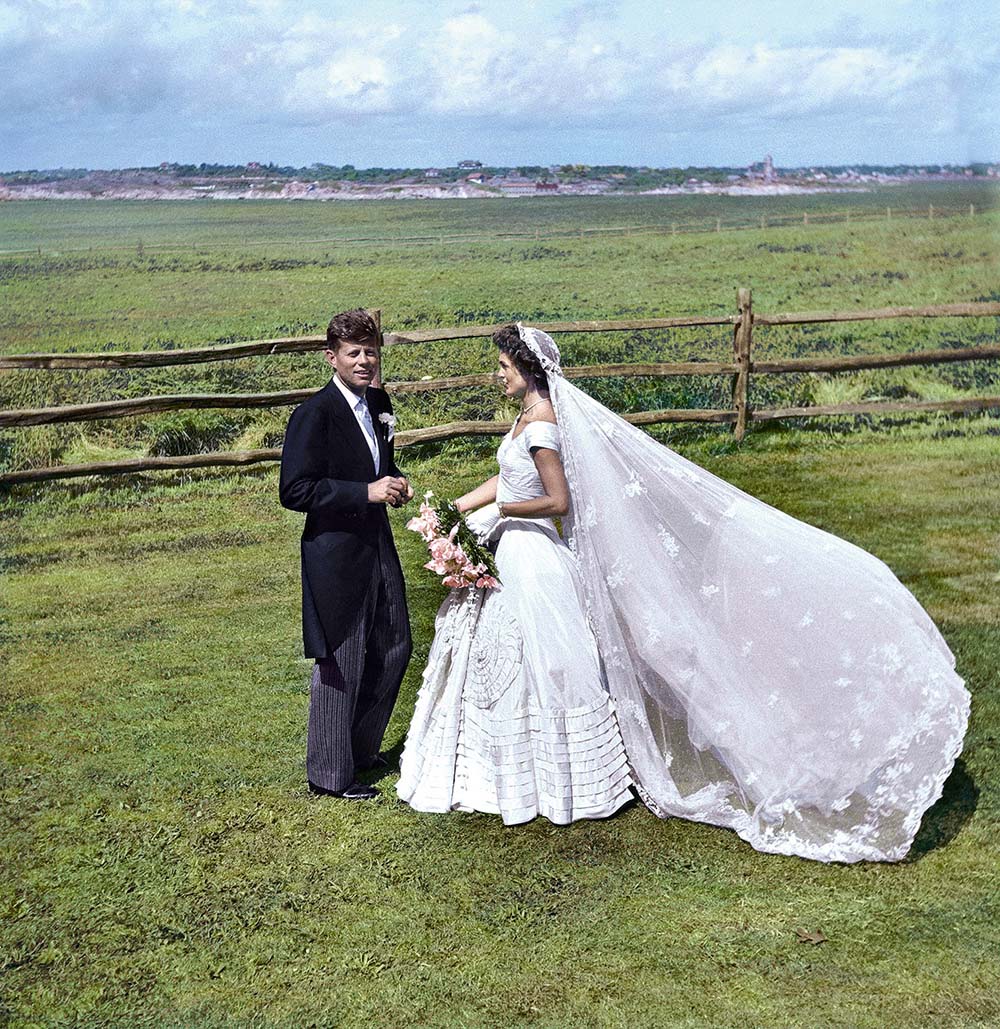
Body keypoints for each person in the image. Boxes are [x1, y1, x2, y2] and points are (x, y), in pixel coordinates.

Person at [397, 324, 970, 863]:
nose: (498, 375)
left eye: (504, 366)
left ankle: (559, 779)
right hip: (512, 545)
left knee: (544, 658)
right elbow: (510, 476)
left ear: (528, 369)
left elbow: (556, 500)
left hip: (533, 551)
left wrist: (502, 510)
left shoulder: (544, 423)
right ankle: (505, 769)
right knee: (505, 655)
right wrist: (461, 507)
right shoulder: (525, 417)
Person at [280, 308, 413, 800]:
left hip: (377, 541)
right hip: (334, 553)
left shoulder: (378, 401)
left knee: (396, 644)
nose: (365, 361)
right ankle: (330, 776)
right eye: (354, 353)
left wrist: (394, 483)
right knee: (342, 657)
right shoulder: (313, 415)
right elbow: (295, 490)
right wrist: (364, 493)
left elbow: (380, 463)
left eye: (371, 352)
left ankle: (360, 751)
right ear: (331, 357)